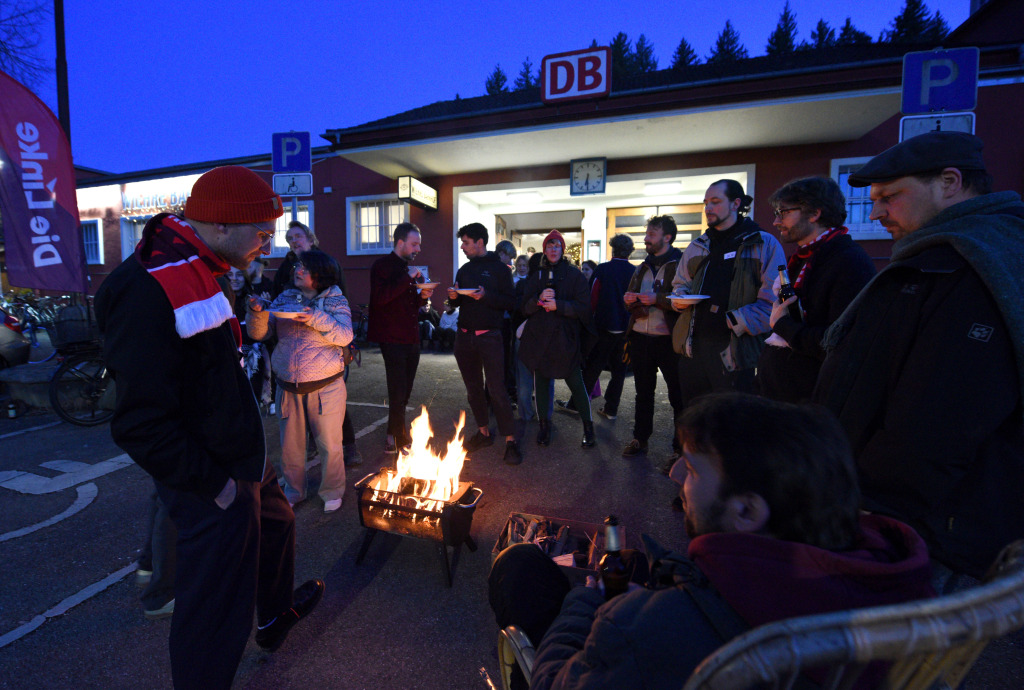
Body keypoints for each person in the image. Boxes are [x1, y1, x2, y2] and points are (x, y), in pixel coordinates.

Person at [489, 392, 934, 690]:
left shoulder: (642, 628)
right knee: (635, 563)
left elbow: (555, 682)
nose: (675, 476)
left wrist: (595, 600)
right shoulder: (903, 600)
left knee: (521, 569)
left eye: (693, 468)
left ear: (746, 510)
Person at [95, 165, 324, 688]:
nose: (268, 245)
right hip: (211, 477)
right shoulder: (149, 287)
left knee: (280, 523)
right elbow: (139, 423)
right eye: (262, 233)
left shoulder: (201, 266)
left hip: (240, 454)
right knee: (214, 611)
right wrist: (216, 488)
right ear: (221, 225)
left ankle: (271, 616)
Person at [814, 131, 1024, 584]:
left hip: (926, 530)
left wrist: (872, 514)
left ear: (949, 182)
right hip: (903, 513)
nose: (877, 211)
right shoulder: (941, 257)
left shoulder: (976, 268)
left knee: (899, 651)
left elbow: (938, 422)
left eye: (890, 196)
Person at [248, 248, 353, 512]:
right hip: (288, 385)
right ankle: (294, 491)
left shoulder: (335, 301)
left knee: (329, 444)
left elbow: (344, 336)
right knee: (291, 448)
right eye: (298, 266)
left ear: (321, 274)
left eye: (305, 268)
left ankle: (332, 491)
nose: (298, 270)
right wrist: (257, 312)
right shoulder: (285, 297)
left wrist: (314, 317)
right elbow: (260, 334)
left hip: (326, 385)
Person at [756, 177, 875, 402]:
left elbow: (842, 343)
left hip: (812, 403)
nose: (776, 222)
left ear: (814, 213)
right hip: (785, 396)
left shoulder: (848, 262)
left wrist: (782, 326)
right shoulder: (804, 257)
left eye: (783, 212)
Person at [672, 180, 785, 408]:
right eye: (705, 203)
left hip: (736, 354)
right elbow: (680, 285)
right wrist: (679, 300)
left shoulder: (764, 243)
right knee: (694, 420)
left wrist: (734, 319)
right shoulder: (698, 245)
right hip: (693, 350)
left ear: (736, 203)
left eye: (715, 202)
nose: (708, 209)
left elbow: (775, 302)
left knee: (732, 423)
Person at [447, 222, 522, 465]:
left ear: (480, 242)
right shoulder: (464, 270)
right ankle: (483, 432)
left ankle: (510, 441)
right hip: (464, 336)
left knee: (497, 390)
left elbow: (511, 302)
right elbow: (458, 303)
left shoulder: (500, 269)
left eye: (466, 242)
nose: (462, 246)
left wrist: (486, 296)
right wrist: (454, 298)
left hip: (490, 336)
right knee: (473, 389)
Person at [519, 230, 596, 448]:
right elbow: (524, 308)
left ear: (562, 249)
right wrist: (538, 299)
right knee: (541, 383)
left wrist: (559, 306)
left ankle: (589, 428)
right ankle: (544, 427)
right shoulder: (537, 276)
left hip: (565, 341)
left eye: (557, 245)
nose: (553, 249)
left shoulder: (575, 275)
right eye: (549, 246)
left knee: (576, 384)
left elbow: (584, 308)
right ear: (544, 250)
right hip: (540, 340)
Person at [368, 222, 435, 453]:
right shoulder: (382, 266)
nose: (417, 248)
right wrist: (407, 278)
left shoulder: (409, 269)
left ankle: (391, 435)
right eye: (414, 244)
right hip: (391, 336)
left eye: (419, 244)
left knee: (404, 391)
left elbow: (410, 303)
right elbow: (381, 299)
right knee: (397, 390)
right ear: (400, 242)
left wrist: (423, 296)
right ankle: (398, 439)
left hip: (411, 335)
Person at [621, 216, 684, 458]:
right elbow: (633, 299)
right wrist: (630, 301)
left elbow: (687, 300)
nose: (646, 238)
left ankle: (680, 450)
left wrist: (657, 299)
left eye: (652, 234)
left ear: (667, 237)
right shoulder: (642, 267)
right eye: (647, 233)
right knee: (643, 392)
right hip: (640, 338)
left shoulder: (680, 266)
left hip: (670, 341)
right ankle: (640, 438)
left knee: (677, 396)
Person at [556, 234, 634, 420]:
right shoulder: (635, 271)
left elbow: (592, 297)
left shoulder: (603, 269)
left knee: (593, 367)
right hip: (626, 328)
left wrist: (587, 322)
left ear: (612, 248)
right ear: (629, 252)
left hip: (603, 326)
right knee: (619, 371)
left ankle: (577, 404)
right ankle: (611, 409)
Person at [272, 220, 317, 297]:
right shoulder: (286, 265)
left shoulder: (324, 263)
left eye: (298, 236)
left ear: (311, 241)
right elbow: (275, 292)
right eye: (290, 238)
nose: (294, 241)